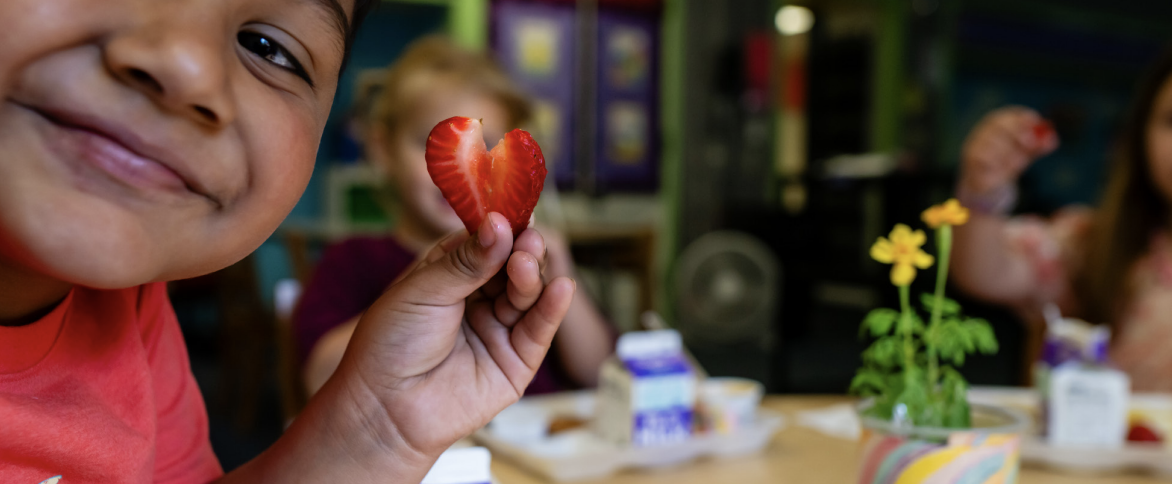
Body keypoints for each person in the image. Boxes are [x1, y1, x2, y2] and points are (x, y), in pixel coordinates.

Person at [0, 1, 575, 482]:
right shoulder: (352, 261)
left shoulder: (130, 308)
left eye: (267, 48)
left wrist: (376, 429)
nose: (186, 67)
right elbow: (319, 363)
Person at [295, 36, 614, 397]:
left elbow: (599, 373)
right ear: (382, 150)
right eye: (430, 140)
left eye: (489, 145)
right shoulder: (353, 261)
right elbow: (319, 378)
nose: (470, 167)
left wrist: (562, 273)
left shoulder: (528, 265)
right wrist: (415, 290)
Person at [950, 50, 1172, 391]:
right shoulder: (1090, 245)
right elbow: (986, 274)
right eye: (1171, 120)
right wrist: (984, 188)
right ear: (1140, 136)